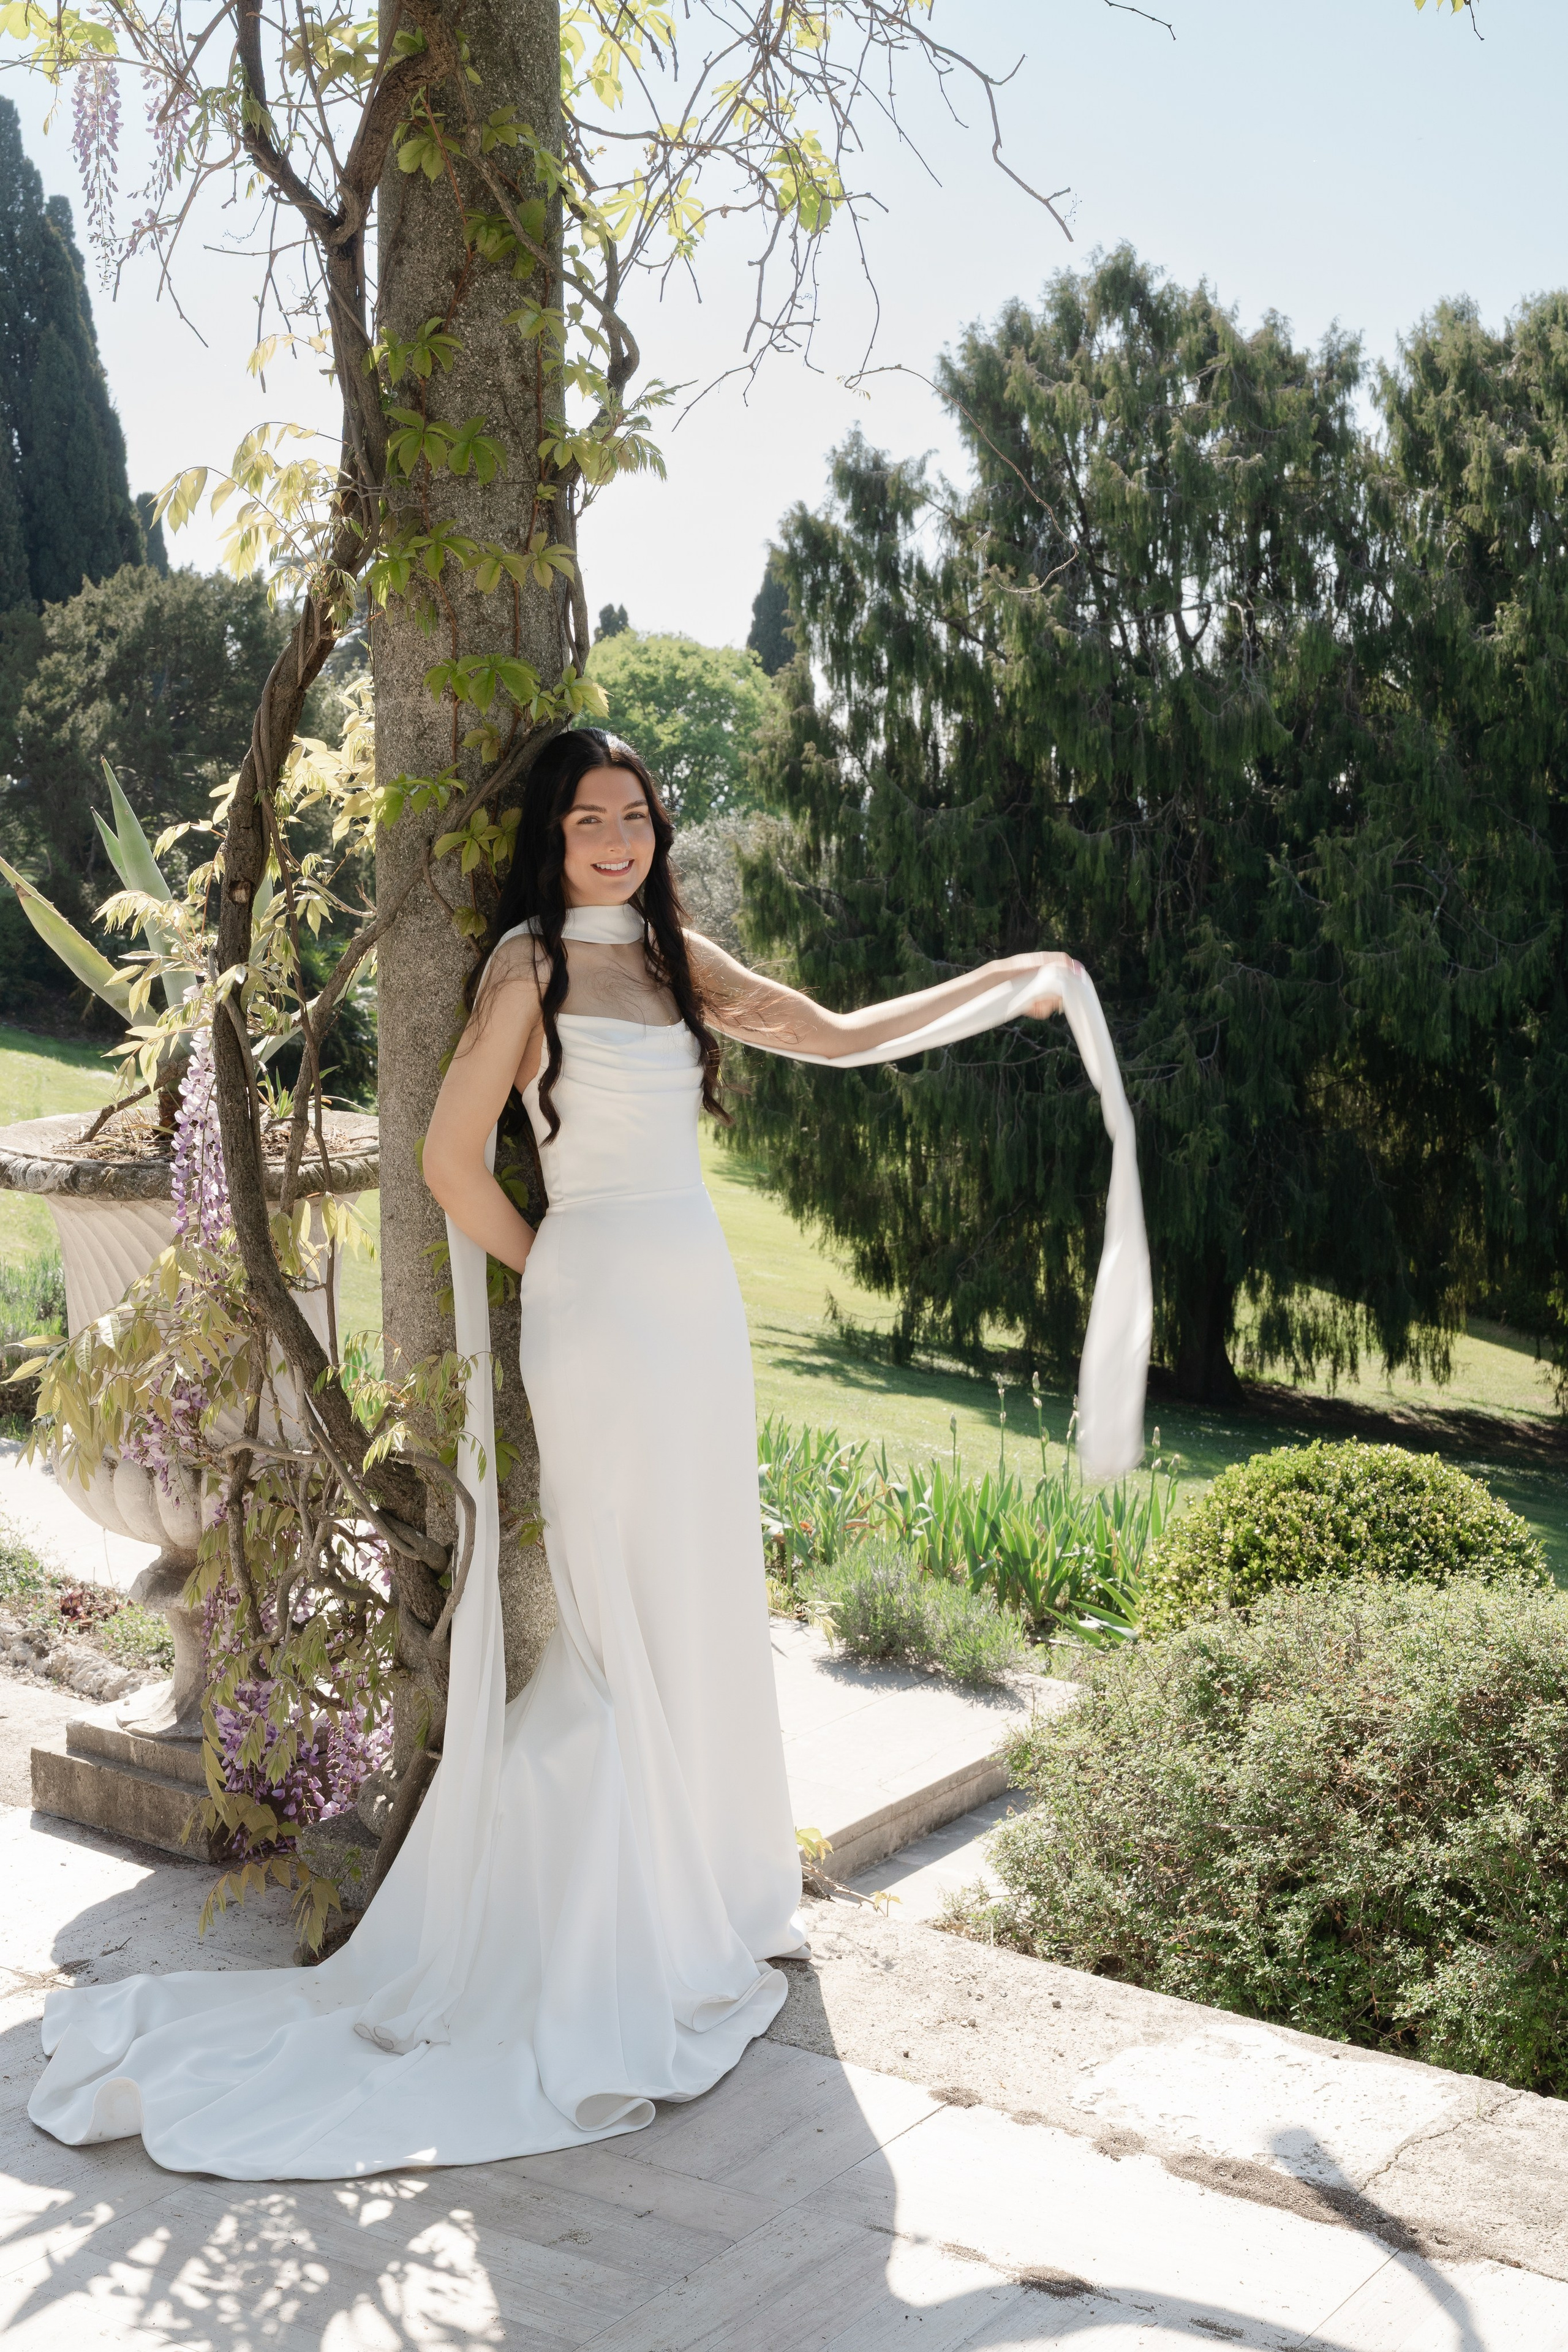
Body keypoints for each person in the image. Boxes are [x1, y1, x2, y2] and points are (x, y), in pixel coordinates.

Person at [26, 726, 1145, 2182]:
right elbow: (448, 1161)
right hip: (598, 1304)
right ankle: (615, 1927)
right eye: (588, 822)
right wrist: (552, 1261)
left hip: (695, 1306)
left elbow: (831, 1031)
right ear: (552, 841)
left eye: (635, 818)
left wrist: (1006, 986)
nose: (616, 842)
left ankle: (704, 1893)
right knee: (616, 1605)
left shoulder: (677, 956)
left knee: (695, 1584)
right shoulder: (527, 967)